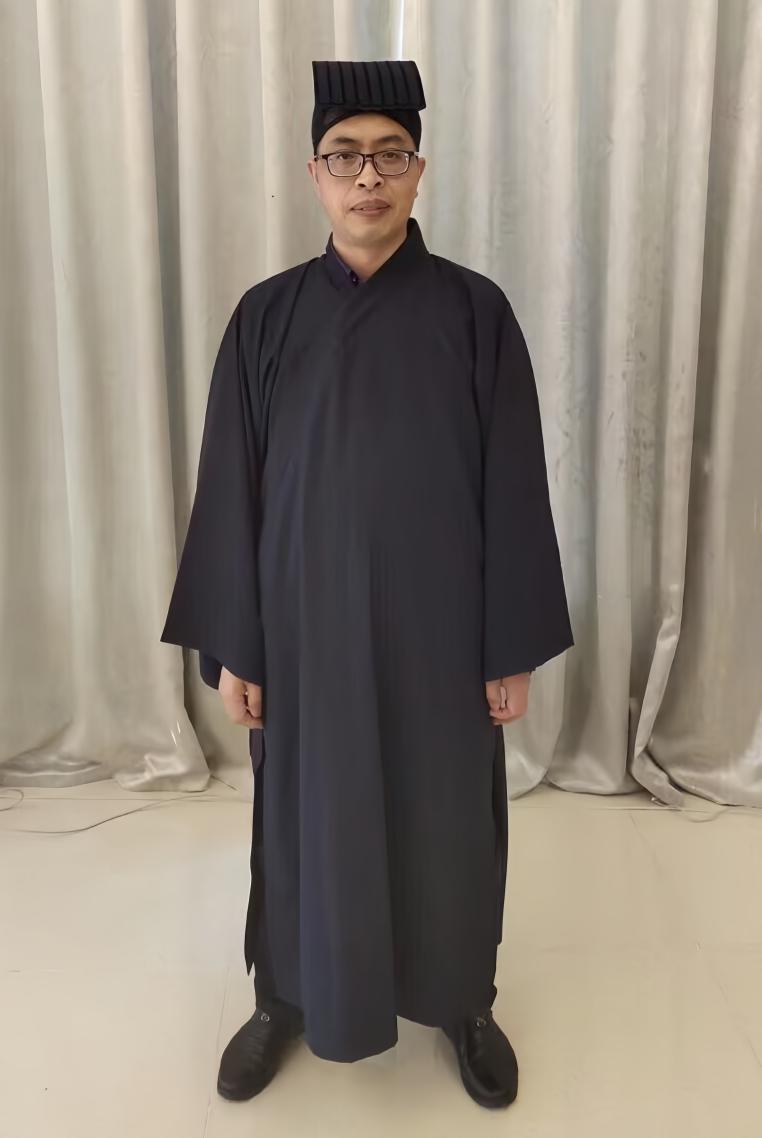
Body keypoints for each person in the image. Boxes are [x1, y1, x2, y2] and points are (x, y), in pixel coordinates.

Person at [160, 58, 574, 1109]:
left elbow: (515, 488)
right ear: (314, 173)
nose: (368, 178)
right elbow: (230, 492)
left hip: (441, 633)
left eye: (390, 156)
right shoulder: (265, 317)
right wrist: (236, 644)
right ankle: (285, 994)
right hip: (304, 633)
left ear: (419, 171)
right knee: (304, 818)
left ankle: (464, 999)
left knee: (448, 817)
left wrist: (508, 647)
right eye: (345, 157)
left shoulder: (476, 314)